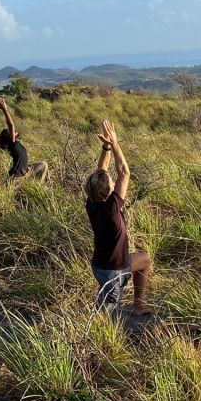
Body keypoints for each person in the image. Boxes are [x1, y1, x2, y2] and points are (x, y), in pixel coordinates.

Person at [84, 120, 152, 314]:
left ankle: (138, 306)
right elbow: (124, 172)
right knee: (102, 317)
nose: (113, 182)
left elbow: (101, 171)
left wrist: (106, 147)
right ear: (106, 191)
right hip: (113, 270)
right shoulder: (112, 209)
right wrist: (115, 144)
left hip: (101, 263)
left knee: (145, 260)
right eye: (110, 182)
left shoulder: (92, 202)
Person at [0, 97, 49, 182]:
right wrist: (5, 110)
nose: (16, 132)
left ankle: (40, 185)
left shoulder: (16, 144)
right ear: (10, 137)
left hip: (26, 171)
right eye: (14, 132)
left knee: (43, 164)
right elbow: (11, 125)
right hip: (17, 178)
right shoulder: (13, 144)